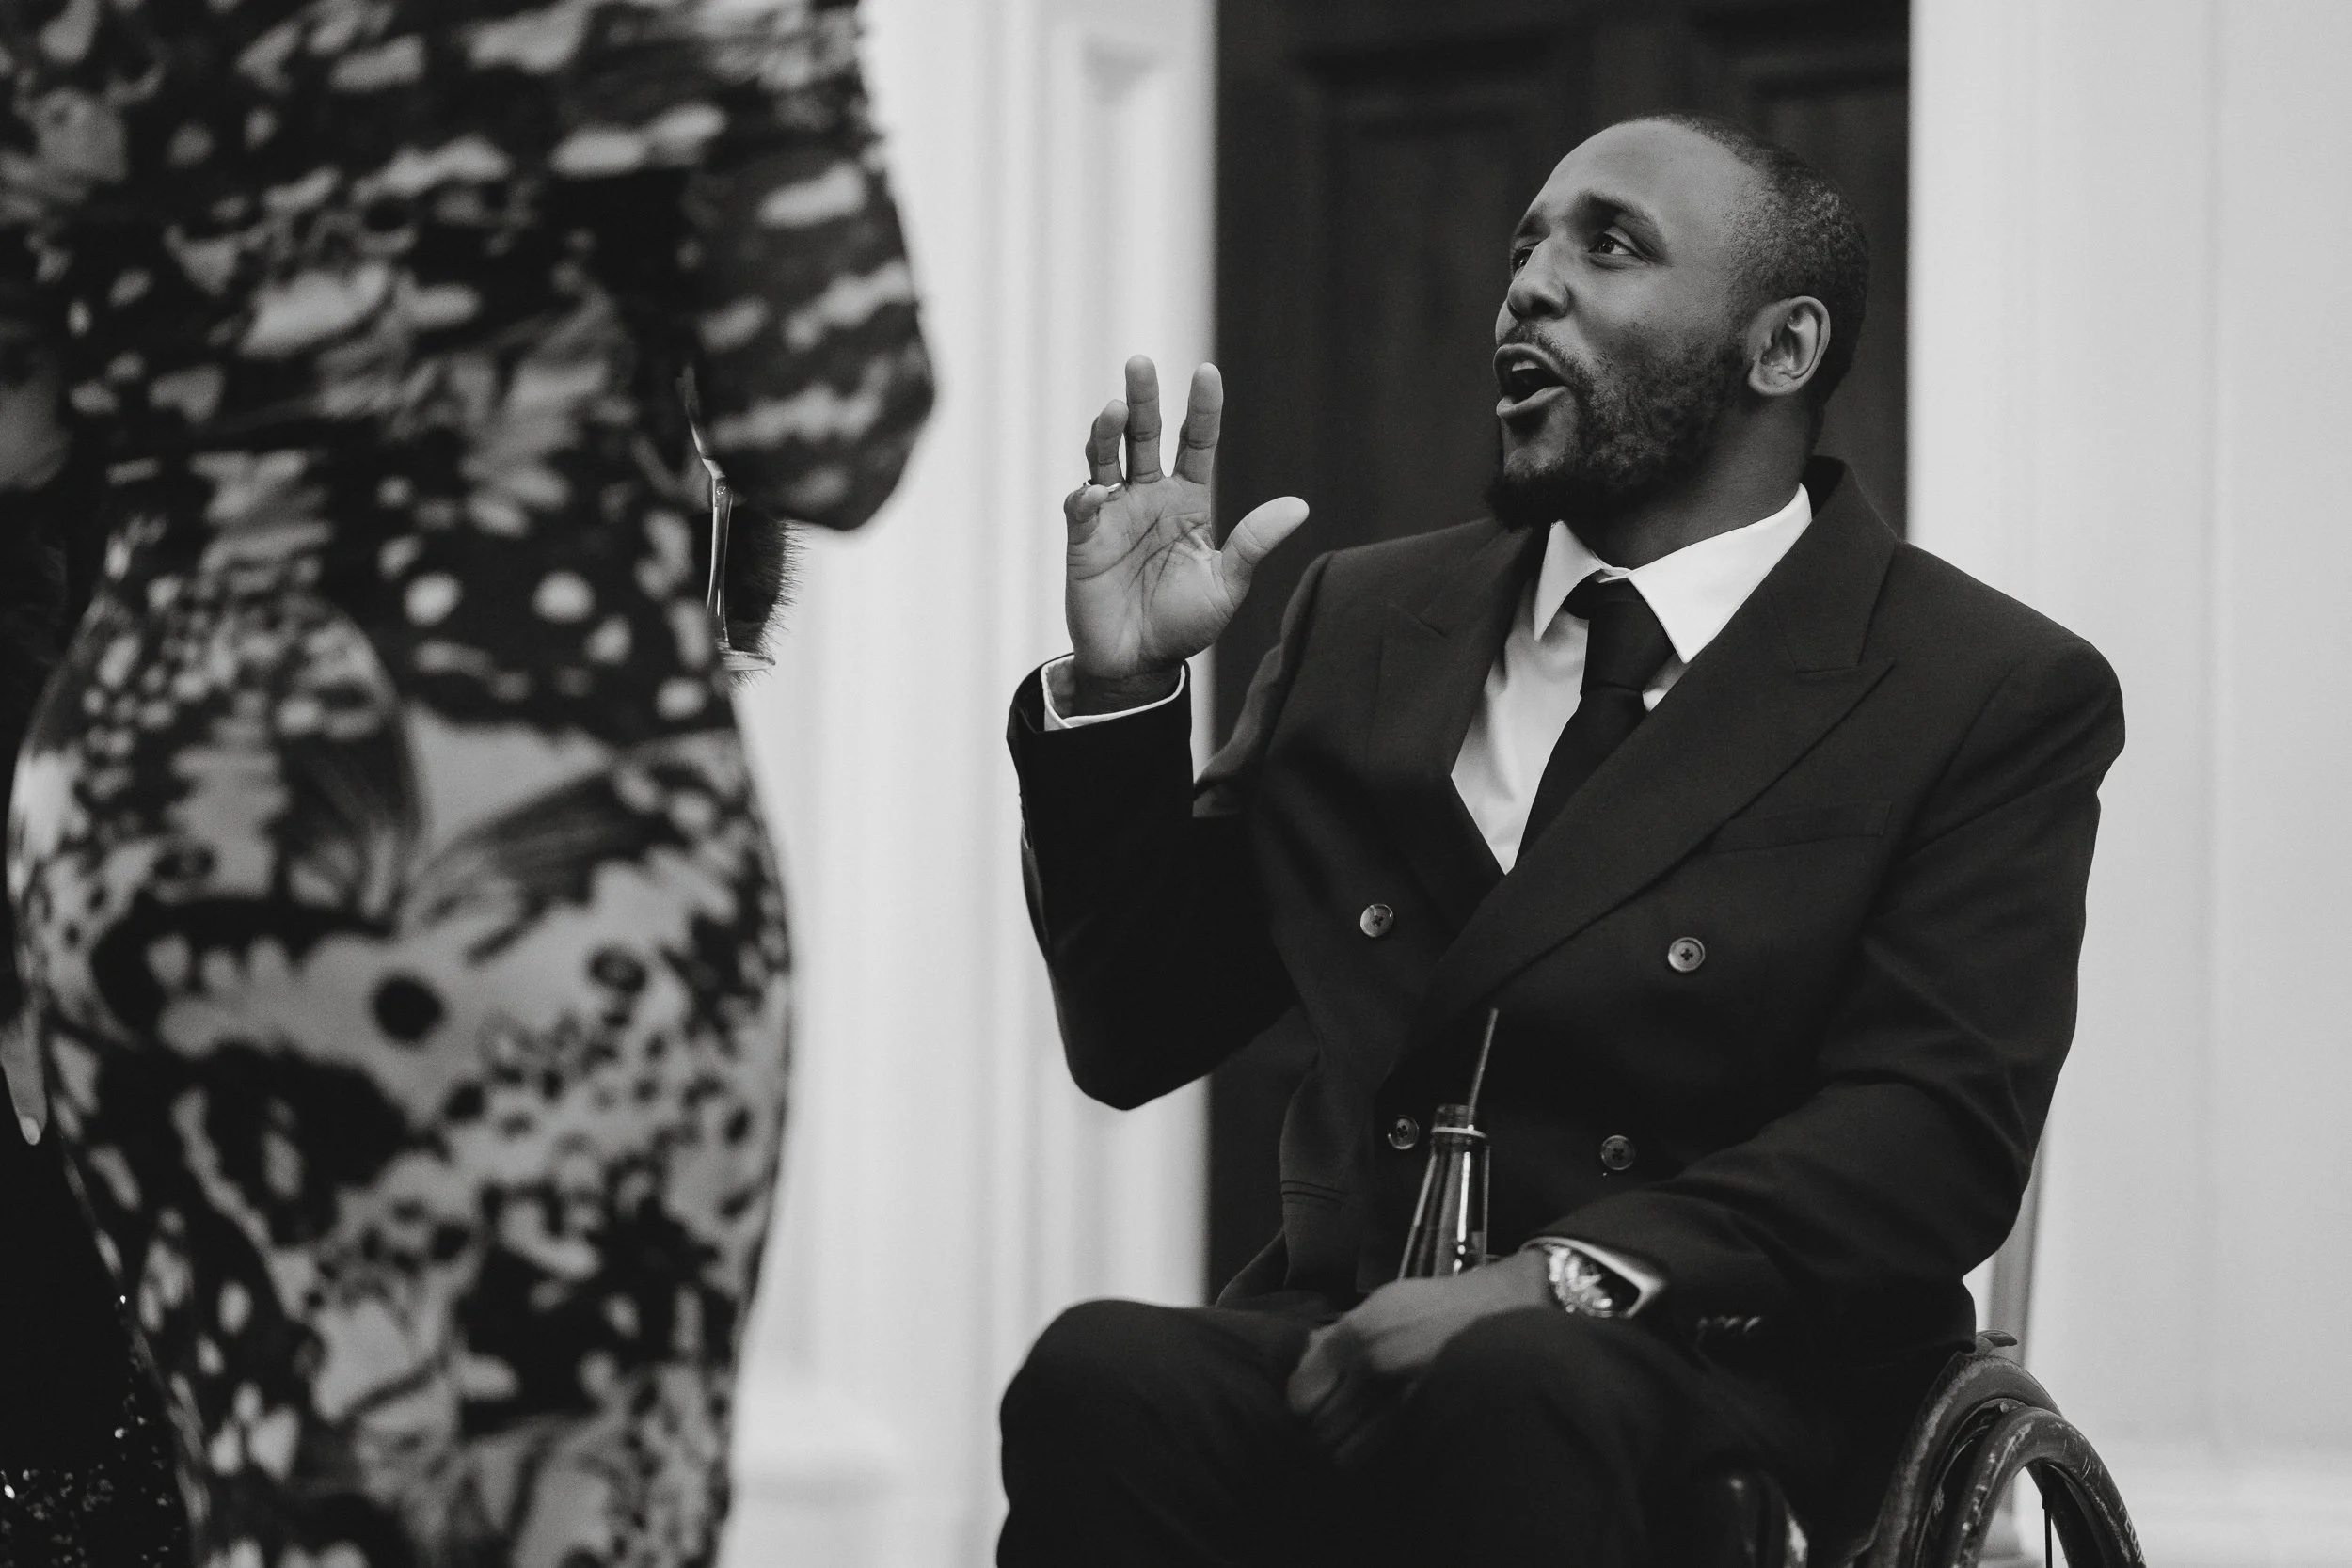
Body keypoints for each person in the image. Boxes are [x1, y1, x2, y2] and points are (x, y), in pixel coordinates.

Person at [997, 114, 2124, 1565]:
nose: (1528, 283)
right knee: (1100, 1377)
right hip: (1358, 1334)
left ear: (1781, 347)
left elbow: (1929, 1132)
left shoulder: (1978, 685)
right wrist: (1121, 693)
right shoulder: (1366, 618)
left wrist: (1556, 1280)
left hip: (1735, 1382)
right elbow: (1138, 1028)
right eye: (1526, 242)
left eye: (1612, 245)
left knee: (1516, 1388)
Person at [0, 1, 930, 1564]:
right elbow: (829, 432)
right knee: (578, 1498)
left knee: (267, 1491)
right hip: (533, 798)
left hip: (163, 813)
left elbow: (21, 423)